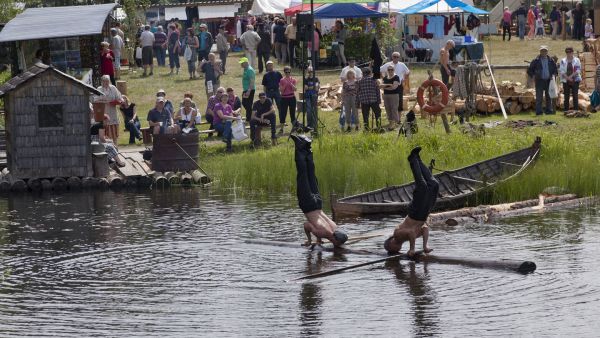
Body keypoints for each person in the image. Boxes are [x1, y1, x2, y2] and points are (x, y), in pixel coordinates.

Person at [290, 133, 348, 247]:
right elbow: (307, 225)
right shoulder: (323, 233)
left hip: (318, 204)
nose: (338, 245)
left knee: (311, 174)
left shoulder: (334, 227)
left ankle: (307, 147)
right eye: (338, 244)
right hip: (308, 205)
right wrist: (310, 240)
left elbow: (318, 226)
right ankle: (299, 144)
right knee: (302, 174)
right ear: (335, 239)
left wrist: (319, 239)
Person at [383, 147, 438, 257]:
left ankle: (412, 159)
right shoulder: (406, 239)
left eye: (392, 249)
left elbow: (410, 232)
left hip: (415, 213)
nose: (395, 250)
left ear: (390, 243)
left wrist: (412, 249)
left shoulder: (397, 235)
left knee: (422, 187)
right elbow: (425, 229)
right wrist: (425, 246)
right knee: (434, 184)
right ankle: (417, 159)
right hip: (423, 214)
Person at [527, 45, 558, 115]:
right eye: (542, 50)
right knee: (539, 97)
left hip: (549, 81)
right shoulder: (536, 60)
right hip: (539, 81)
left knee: (549, 97)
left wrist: (553, 75)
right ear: (540, 51)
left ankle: (549, 110)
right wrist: (534, 76)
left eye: (545, 50)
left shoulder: (551, 60)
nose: (544, 52)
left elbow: (555, 70)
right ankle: (539, 112)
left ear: (547, 51)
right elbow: (529, 70)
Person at [380, 52, 410, 117]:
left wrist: (404, 79)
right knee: (389, 102)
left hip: (398, 85)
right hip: (388, 84)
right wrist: (383, 79)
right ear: (392, 57)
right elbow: (379, 70)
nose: (396, 58)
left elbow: (407, 72)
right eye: (394, 56)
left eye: (397, 57)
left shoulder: (402, 65)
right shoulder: (388, 64)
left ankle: (398, 119)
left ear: (399, 58)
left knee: (399, 101)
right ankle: (391, 119)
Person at [96, 75, 122, 142]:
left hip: (113, 113)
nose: (106, 83)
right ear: (102, 82)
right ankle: (107, 148)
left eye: (107, 81)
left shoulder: (113, 88)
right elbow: (95, 100)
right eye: (104, 81)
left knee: (114, 133)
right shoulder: (99, 89)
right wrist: (105, 102)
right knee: (105, 133)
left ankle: (115, 147)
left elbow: (119, 97)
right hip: (104, 113)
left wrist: (121, 101)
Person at [559, 46, 582, 111]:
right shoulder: (563, 61)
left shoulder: (577, 60)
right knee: (566, 96)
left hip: (575, 80)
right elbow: (561, 71)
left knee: (575, 96)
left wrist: (570, 77)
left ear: (572, 52)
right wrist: (568, 78)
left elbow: (577, 70)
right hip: (566, 80)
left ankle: (576, 110)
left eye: (570, 52)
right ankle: (566, 110)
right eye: (567, 52)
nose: (568, 53)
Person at [381, 65, 401, 130]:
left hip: (394, 95)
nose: (390, 71)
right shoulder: (385, 78)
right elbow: (380, 86)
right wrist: (389, 85)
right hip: (386, 95)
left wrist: (385, 87)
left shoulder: (396, 77)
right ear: (387, 70)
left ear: (394, 70)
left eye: (391, 69)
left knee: (394, 109)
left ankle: (396, 123)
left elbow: (394, 87)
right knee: (387, 109)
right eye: (389, 70)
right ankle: (391, 122)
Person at [279, 65, 297, 134]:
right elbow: (281, 91)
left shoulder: (293, 79)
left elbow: (295, 89)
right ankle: (281, 129)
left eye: (289, 72)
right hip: (284, 98)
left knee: (292, 113)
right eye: (286, 72)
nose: (287, 74)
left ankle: (294, 128)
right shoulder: (282, 80)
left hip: (292, 98)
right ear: (284, 73)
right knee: (283, 113)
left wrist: (291, 84)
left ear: (290, 72)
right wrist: (285, 84)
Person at [240, 57, 256, 123]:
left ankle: (249, 118)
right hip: (246, 89)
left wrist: (249, 90)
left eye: (242, 63)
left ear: (246, 63)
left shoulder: (250, 70)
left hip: (250, 90)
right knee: (245, 103)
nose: (241, 64)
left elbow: (252, 81)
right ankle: (250, 116)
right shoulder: (245, 69)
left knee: (248, 104)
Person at [303, 66, 319, 131]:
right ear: (307, 72)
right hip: (308, 97)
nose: (310, 73)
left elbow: (317, 87)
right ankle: (309, 125)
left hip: (314, 96)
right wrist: (313, 87)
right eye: (309, 71)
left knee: (314, 110)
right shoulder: (306, 79)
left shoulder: (316, 78)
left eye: (311, 71)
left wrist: (311, 87)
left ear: (313, 71)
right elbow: (306, 88)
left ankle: (315, 124)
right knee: (309, 111)